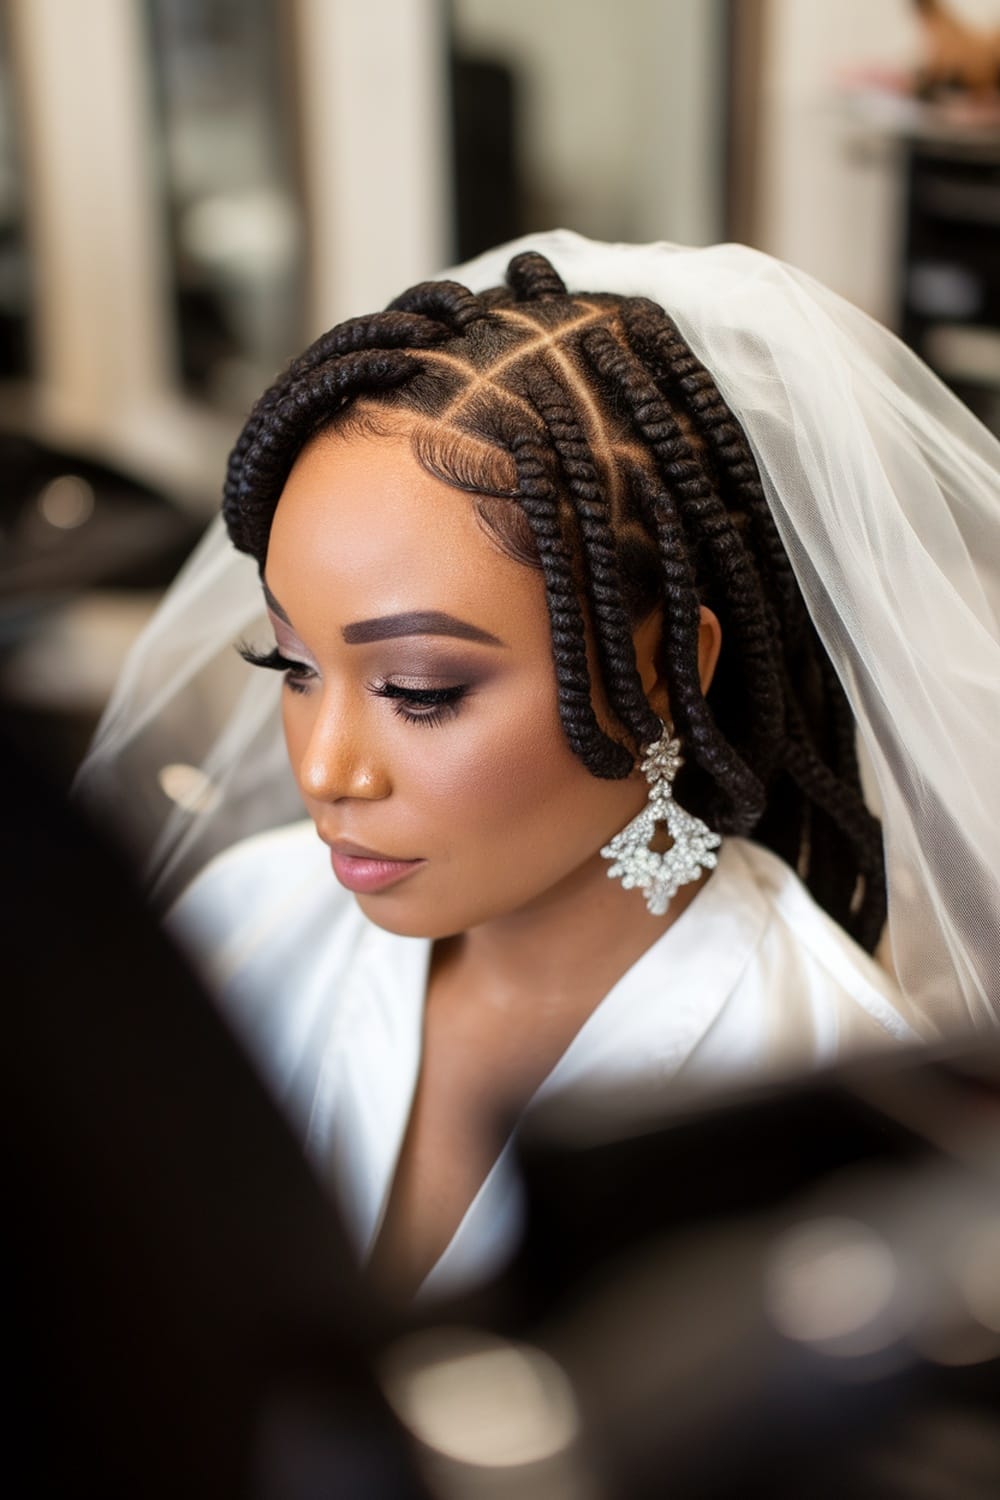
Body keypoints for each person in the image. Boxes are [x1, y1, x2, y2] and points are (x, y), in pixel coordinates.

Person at [77, 231, 1000, 1301]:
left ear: (664, 674)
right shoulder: (243, 925)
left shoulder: (810, 1093)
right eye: (288, 664)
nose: (326, 768)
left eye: (421, 689)